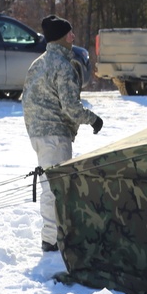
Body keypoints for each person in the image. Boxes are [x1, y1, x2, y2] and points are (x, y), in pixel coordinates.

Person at [23, 14, 103, 253]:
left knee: (53, 185)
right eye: (70, 33)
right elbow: (70, 107)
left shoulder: (38, 63)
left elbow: (26, 100)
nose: (74, 36)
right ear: (62, 37)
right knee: (55, 189)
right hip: (55, 135)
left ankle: (56, 235)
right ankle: (51, 239)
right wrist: (93, 119)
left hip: (39, 135)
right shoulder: (63, 66)